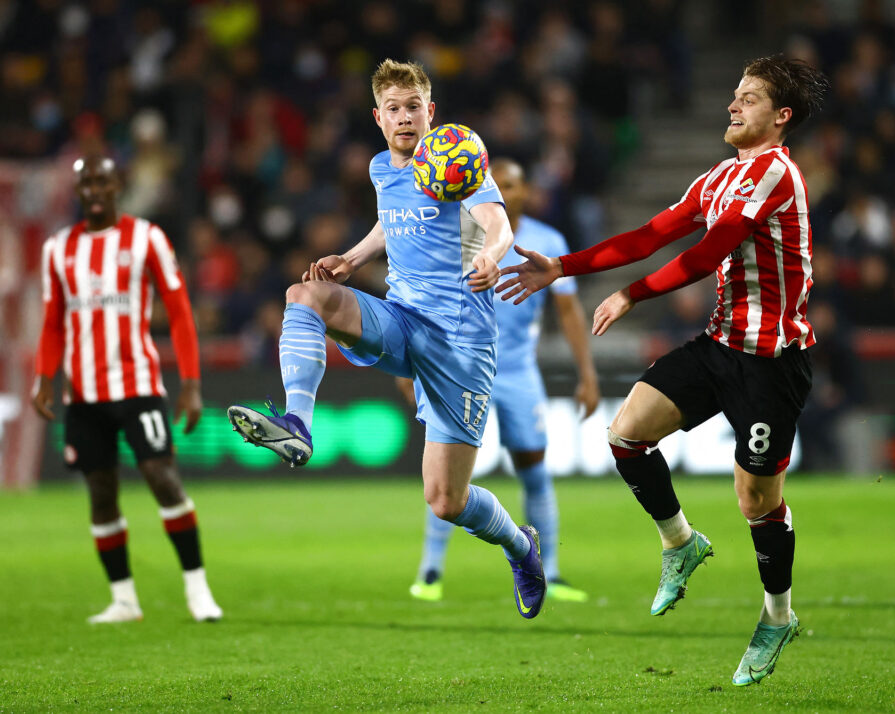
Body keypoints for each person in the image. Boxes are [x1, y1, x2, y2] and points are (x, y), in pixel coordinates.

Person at [497, 55, 828, 685]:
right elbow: (651, 234)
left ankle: (777, 615)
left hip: (772, 365)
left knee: (756, 499)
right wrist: (560, 268)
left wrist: (629, 295)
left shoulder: (775, 175)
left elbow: (706, 254)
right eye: (733, 93)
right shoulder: (720, 176)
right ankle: (680, 542)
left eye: (749, 98)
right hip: (719, 345)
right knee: (626, 433)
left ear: (780, 117)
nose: (732, 105)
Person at [226, 60, 547, 618]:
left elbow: (497, 224)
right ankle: (297, 424)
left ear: (431, 111)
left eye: (414, 107)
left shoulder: (457, 158)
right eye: (393, 109)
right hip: (402, 318)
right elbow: (390, 221)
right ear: (378, 117)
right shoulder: (381, 168)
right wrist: (350, 259)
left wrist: (493, 259)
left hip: (461, 345)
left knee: (445, 501)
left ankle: (521, 546)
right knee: (304, 295)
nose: (405, 118)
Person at [32, 156, 222, 624]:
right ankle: (123, 599)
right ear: (78, 190)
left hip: (137, 385)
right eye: (86, 183)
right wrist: (44, 378)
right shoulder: (58, 249)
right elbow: (53, 322)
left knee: (162, 477)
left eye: (102, 180)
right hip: (84, 395)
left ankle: (197, 590)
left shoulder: (146, 239)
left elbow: (179, 311)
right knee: (100, 493)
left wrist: (192, 384)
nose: (94, 189)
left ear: (118, 185)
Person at [402, 158, 600, 604]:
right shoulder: (458, 229)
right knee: (446, 475)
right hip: (460, 369)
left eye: (512, 185)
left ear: (526, 191)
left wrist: (587, 374)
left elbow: (568, 312)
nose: (505, 192)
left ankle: (550, 568)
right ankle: (430, 571)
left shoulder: (548, 241)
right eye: (499, 184)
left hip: (516, 373)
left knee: (533, 469)